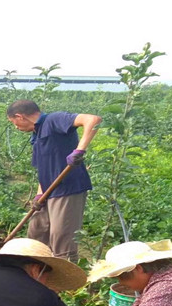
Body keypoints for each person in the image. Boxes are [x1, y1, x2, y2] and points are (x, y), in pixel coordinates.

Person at [6, 100, 102, 262]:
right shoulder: (37, 134)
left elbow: (93, 120)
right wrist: (39, 195)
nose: (15, 127)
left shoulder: (54, 120)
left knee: (61, 238)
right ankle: (34, 269)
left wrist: (80, 149)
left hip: (67, 190)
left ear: (19, 116)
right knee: (36, 232)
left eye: (13, 122)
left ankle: (64, 278)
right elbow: (45, 169)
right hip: (48, 192)